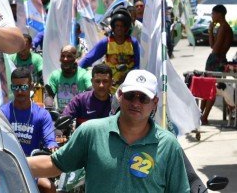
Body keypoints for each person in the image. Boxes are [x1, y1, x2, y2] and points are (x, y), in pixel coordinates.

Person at [27, 69, 190, 193]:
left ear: (154, 102)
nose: (136, 103)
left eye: (143, 98)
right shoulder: (91, 132)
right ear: (119, 95)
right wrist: (8, 162)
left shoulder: (168, 145)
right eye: (130, 95)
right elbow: (55, 164)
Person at [0, 67, 57, 193]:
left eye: (23, 87)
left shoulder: (42, 115)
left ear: (31, 87)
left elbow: (50, 141)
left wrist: (52, 146)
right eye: (15, 87)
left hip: (32, 167)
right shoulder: (2, 113)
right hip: (7, 166)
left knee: (49, 188)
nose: (19, 92)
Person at [79, 7, 140, 92]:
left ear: (126, 27)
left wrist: (128, 76)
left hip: (128, 85)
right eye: (117, 26)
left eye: (122, 26)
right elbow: (90, 58)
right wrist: (77, 69)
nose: (119, 28)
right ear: (113, 27)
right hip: (109, 85)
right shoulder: (106, 42)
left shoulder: (133, 42)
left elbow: (138, 64)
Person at [200, 4, 234, 125]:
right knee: (206, 87)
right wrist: (210, 30)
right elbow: (212, 45)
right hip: (215, 58)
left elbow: (216, 48)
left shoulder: (224, 28)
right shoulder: (221, 27)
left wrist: (212, 32)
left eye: (213, 14)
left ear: (219, 14)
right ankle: (201, 114)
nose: (212, 16)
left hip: (217, 60)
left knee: (211, 89)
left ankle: (204, 116)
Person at [62, 63, 112, 127]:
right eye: (97, 81)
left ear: (111, 82)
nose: (101, 85)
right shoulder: (79, 100)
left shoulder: (116, 104)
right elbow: (64, 120)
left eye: (105, 81)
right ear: (92, 81)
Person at [46, 45, 92, 111]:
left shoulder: (83, 75)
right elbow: (49, 96)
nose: (65, 59)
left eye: (69, 56)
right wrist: (49, 108)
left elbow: (91, 92)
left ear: (75, 59)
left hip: (78, 115)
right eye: (63, 56)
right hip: (61, 116)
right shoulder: (55, 75)